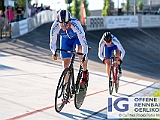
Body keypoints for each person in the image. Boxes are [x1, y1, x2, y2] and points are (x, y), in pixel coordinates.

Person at [50, 10, 89, 89]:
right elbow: (52, 43)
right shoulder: (55, 26)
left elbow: (84, 42)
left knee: (80, 52)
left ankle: (85, 72)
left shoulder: (76, 24)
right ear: (58, 22)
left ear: (70, 21)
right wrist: (54, 52)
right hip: (65, 40)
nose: (64, 27)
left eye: (66, 24)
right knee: (65, 64)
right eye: (62, 25)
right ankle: (66, 87)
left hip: (77, 39)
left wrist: (84, 54)